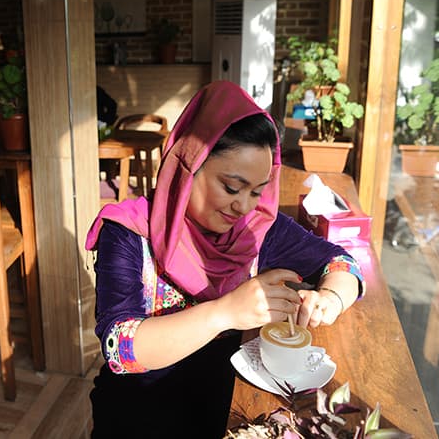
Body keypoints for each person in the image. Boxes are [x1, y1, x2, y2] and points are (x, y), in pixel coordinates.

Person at [85, 81, 364, 437]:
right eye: (232, 187)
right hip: (137, 416)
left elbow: (342, 262)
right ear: (188, 168)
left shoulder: (257, 230)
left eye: (257, 191)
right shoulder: (128, 231)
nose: (244, 205)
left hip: (224, 410)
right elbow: (119, 348)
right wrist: (226, 312)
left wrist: (330, 299)